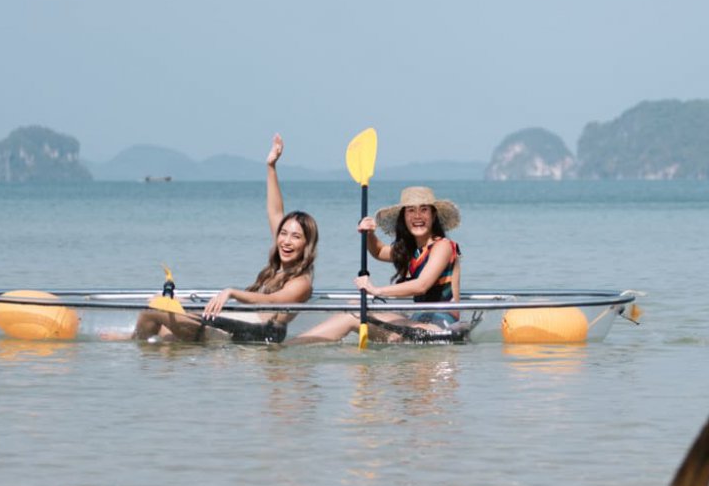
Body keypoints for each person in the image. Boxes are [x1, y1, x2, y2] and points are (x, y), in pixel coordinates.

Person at [132, 134, 317, 343]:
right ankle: (149, 361)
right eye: (283, 234)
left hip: (248, 336)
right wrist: (271, 166)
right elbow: (275, 212)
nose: (286, 241)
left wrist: (232, 292)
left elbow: (272, 300)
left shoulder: (302, 282)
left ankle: (129, 342)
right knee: (166, 334)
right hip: (232, 324)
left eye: (296, 237)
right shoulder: (280, 266)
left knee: (153, 308)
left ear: (306, 244)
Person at [292, 185, 465, 343]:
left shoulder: (443, 246)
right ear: (404, 217)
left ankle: (290, 348)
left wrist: (377, 290)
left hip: (441, 330)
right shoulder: (413, 251)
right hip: (419, 324)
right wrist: (368, 234)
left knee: (353, 315)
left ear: (433, 216)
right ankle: (297, 349)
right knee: (354, 306)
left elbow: (422, 285)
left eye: (424, 210)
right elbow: (379, 251)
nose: (417, 216)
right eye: (411, 210)